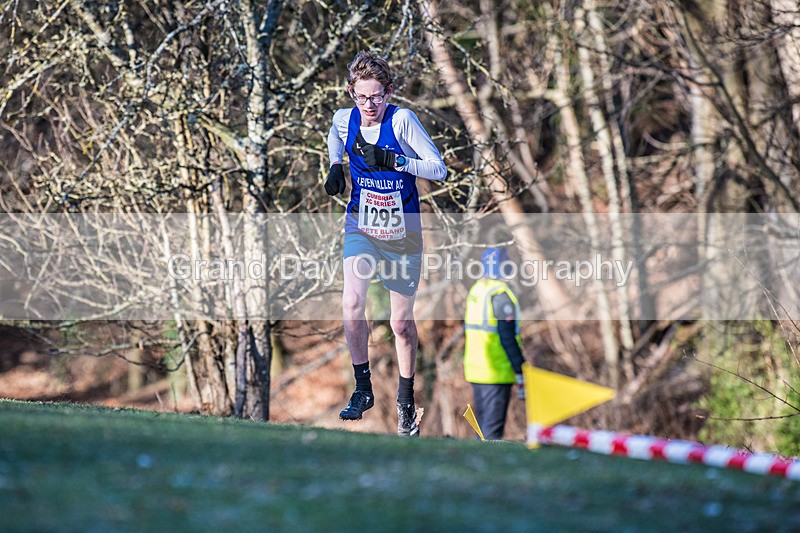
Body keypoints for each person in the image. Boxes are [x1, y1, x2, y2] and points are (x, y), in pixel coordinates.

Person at [324, 50, 446, 437]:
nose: (369, 105)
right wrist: (334, 166)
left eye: (376, 96)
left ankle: (407, 404)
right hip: (361, 226)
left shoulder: (403, 121)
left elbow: (438, 169)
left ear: (389, 92)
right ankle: (362, 390)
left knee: (400, 324)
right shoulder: (346, 119)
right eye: (362, 97)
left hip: (402, 234)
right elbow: (334, 134)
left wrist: (396, 162)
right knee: (352, 301)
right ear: (351, 93)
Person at [463, 245, 526, 440]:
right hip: (496, 372)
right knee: (490, 432)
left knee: (482, 429)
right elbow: (507, 337)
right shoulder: (500, 295)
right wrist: (520, 369)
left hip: (476, 370)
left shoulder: (478, 289)